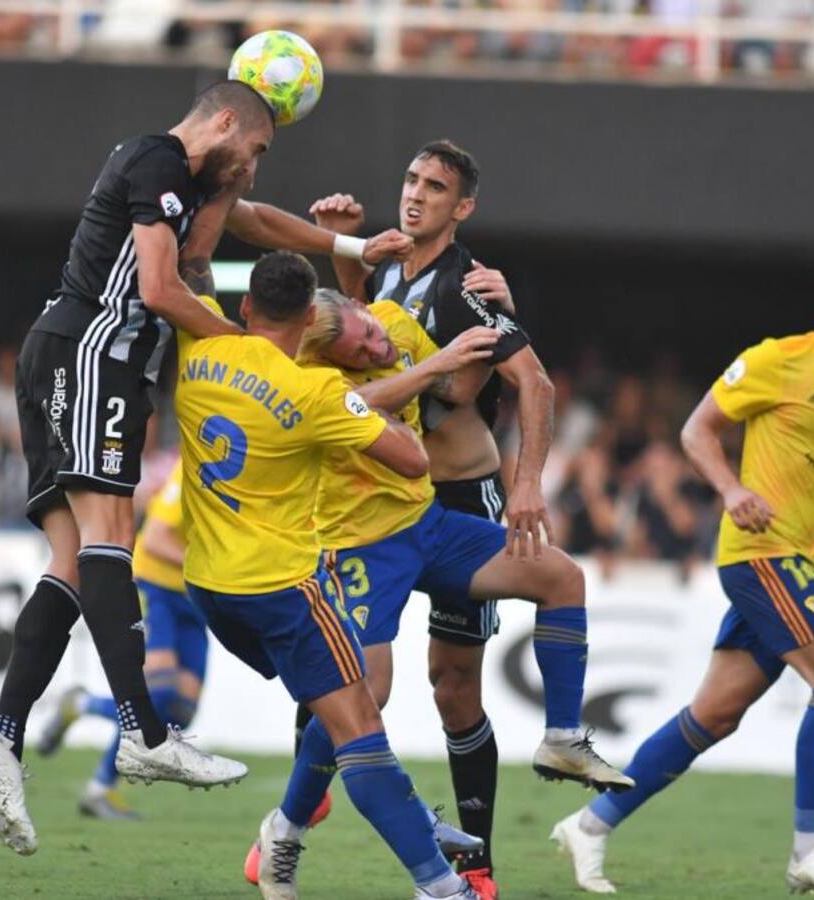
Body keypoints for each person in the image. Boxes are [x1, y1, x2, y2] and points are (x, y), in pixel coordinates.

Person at [0, 78, 414, 856]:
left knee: (73, 560)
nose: (257, 165)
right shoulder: (160, 160)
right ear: (228, 121)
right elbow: (161, 287)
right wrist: (240, 350)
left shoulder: (178, 177)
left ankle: (4, 735)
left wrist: (344, 247)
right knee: (111, 538)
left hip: (81, 357)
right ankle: (144, 730)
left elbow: (255, 223)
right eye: (259, 149)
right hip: (93, 351)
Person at [243, 290, 632, 890]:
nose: (377, 343)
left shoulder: (394, 318)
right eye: (360, 349)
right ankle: (286, 829)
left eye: (370, 329)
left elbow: (455, 388)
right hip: (359, 548)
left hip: (430, 526)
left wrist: (497, 323)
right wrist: (432, 365)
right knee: (364, 693)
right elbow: (374, 396)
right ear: (330, 357)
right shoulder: (306, 377)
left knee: (561, 576)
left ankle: (561, 737)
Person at [551, 241, 814, 895]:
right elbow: (696, 430)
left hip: (803, 564)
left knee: (713, 715)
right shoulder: (778, 359)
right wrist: (731, 490)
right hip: (759, 553)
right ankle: (809, 850)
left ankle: (591, 825)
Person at [178, 251, 477, 900]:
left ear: (247, 306)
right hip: (283, 588)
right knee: (361, 724)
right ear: (312, 316)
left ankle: (284, 832)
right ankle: (439, 886)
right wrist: (358, 412)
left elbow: (181, 272)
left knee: (340, 704)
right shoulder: (316, 393)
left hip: (207, 586)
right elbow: (412, 460)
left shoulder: (196, 343)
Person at [311, 139, 557, 897]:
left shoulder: (468, 283)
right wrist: (345, 255)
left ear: (463, 207)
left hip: (458, 499)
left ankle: (475, 862)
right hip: (381, 505)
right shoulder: (386, 265)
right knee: (353, 674)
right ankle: (301, 799)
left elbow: (533, 381)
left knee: (453, 686)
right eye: (412, 179)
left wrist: (526, 483)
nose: (416, 194)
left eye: (436, 186)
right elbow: (360, 346)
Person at [33, 458, 208, 821]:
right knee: (158, 694)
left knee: (180, 712)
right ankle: (82, 711)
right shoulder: (197, 470)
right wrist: (206, 569)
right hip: (156, 586)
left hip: (194, 598)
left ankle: (98, 785)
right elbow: (156, 538)